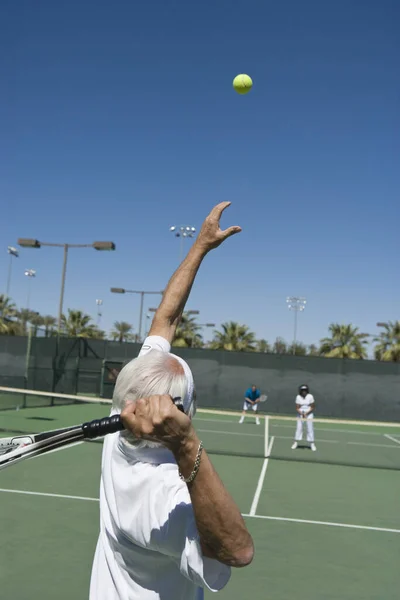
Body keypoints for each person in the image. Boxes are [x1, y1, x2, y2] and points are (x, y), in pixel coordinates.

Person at [90, 202, 254, 600]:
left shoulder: (121, 416)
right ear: (178, 413)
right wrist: (186, 444)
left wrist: (199, 247)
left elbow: (166, 318)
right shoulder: (160, 495)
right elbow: (238, 550)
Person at [291, 384, 317, 451]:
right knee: (299, 428)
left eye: (305, 390)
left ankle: (312, 444)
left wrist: (306, 413)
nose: (304, 392)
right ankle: (295, 443)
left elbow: (312, 407)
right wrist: (302, 413)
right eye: (302, 390)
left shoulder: (310, 396)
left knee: (310, 428)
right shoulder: (298, 397)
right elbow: (297, 408)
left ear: (307, 390)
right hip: (300, 414)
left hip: (309, 414)